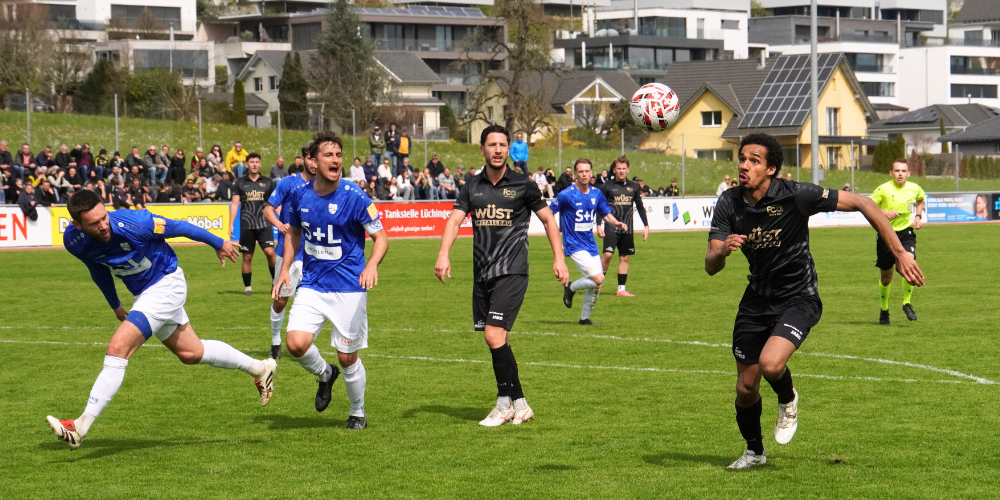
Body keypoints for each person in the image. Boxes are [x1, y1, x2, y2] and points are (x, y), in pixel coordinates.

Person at [704, 133, 923, 469]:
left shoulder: (795, 195)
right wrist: (722, 250)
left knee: (771, 364)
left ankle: (788, 399)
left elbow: (864, 202)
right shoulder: (729, 203)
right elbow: (710, 266)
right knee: (746, 388)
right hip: (756, 299)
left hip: (799, 295)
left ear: (771, 169)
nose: (744, 166)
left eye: (754, 160)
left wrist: (900, 254)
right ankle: (754, 453)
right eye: (742, 158)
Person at [45, 190, 277, 450]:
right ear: (77, 224)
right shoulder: (74, 240)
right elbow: (96, 267)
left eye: (103, 217)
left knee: (117, 350)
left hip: (166, 283)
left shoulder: (135, 223)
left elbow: (179, 226)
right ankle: (260, 368)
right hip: (144, 294)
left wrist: (217, 242)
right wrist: (115, 304)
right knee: (191, 352)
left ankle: (80, 426)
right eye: (94, 223)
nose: (102, 225)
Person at [435, 124, 569, 427]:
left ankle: (502, 403)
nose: (497, 150)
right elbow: (454, 221)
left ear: (508, 150)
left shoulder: (523, 184)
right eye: (492, 144)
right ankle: (518, 404)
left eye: (502, 145)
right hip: (482, 273)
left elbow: (548, 221)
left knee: (493, 335)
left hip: (512, 271)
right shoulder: (471, 186)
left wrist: (559, 259)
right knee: (498, 339)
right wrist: (443, 254)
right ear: (482, 149)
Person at [273, 130, 389, 431]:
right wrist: (285, 269)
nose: (336, 160)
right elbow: (295, 233)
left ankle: (357, 411)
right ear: (313, 161)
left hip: (350, 286)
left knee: (347, 356)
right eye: (329, 154)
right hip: (312, 284)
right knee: (295, 344)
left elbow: (381, 237)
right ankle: (326, 375)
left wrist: (372, 265)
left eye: (339, 155)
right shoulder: (300, 195)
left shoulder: (354, 196)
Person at [550, 159, 628, 325]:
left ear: (591, 173)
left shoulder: (596, 193)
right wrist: (557, 236)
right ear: (575, 174)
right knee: (598, 278)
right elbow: (548, 214)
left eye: (587, 171)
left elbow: (606, 213)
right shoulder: (566, 194)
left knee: (596, 286)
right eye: (580, 171)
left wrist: (617, 223)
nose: (584, 174)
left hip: (590, 244)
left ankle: (584, 319)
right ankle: (570, 288)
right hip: (574, 244)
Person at [263, 141, 316, 360]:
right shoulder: (288, 183)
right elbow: (268, 210)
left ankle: (303, 344)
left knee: (314, 300)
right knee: (281, 300)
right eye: (310, 158)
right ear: (303, 159)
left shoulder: (328, 185)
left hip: (316, 255)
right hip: (290, 254)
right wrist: (279, 225)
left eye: (316, 158)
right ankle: (276, 340)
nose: (314, 163)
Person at [870, 160, 926, 325]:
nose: (900, 173)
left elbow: (921, 198)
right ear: (891, 173)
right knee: (886, 278)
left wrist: (918, 216)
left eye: (903, 171)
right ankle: (884, 309)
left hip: (906, 234)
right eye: (897, 170)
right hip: (886, 235)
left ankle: (906, 303)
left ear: (908, 174)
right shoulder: (883, 189)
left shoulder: (914, 188)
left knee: (908, 266)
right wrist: (884, 212)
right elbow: (868, 206)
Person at [597, 156, 649, 297]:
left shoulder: (633, 187)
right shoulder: (606, 186)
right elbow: (599, 206)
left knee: (625, 257)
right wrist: (598, 225)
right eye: (618, 168)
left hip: (627, 228)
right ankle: (598, 283)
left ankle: (621, 289)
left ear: (628, 170)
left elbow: (640, 207)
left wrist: (646, 226)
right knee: (607, 255)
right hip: (610, 226)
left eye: (623, 168)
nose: (621, 171)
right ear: (614, 170)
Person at [230, 152, 276, 296]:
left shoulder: (268, 182)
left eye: (257, 162)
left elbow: (275, 203)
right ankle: (248, 287)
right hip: (247, 224)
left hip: (264, 223)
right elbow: (235, 204)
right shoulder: (240, 183)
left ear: (260, 164)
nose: (254, 164)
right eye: (252, 162)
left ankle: (275, 282)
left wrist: (283, 221)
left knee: (270, 252)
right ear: (247, 165)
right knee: (247, 257)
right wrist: (231, 224)